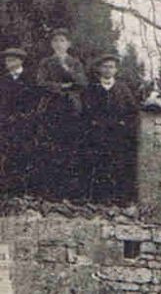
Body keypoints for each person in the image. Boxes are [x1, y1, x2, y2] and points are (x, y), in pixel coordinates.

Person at [34, 29, 86, 199]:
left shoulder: (75, 62)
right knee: (50, 146)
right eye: (55, 41)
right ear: (51, 44)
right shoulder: (46, 62)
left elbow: (81, 82)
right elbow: (41, 83)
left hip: (71, 108)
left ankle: (68, 192)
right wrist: (62, 86)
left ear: (68, 44)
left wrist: (66, 70)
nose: (59, 44)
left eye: (62, 40)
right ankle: (49, 191)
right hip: (51, 107)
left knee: (69, 146)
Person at [81, 53, 139, 203]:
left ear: (116, 70)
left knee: (117, 165)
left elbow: (132, 111)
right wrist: (92, 125)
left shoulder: (123, 89)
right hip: (97, 134)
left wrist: (124, 125)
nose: (108, 70)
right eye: (105, 67)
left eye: (111, 67)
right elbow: (85, 111)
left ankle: (117, 199)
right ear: (100, 69)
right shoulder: (92, 89)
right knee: (97, 164)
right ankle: (96, 199)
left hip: (117, 135)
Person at [0, 46, 39, 196]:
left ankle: (26, 190)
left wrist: (25, 117)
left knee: (25, 154)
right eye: (6, 60)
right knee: (8, 155)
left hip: (25, 123)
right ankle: (10, 190)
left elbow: (35, 102)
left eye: (12, 59)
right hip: (6, 124)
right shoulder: (3, 80)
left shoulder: (30, 79)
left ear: (20, 61)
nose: (8, 62)